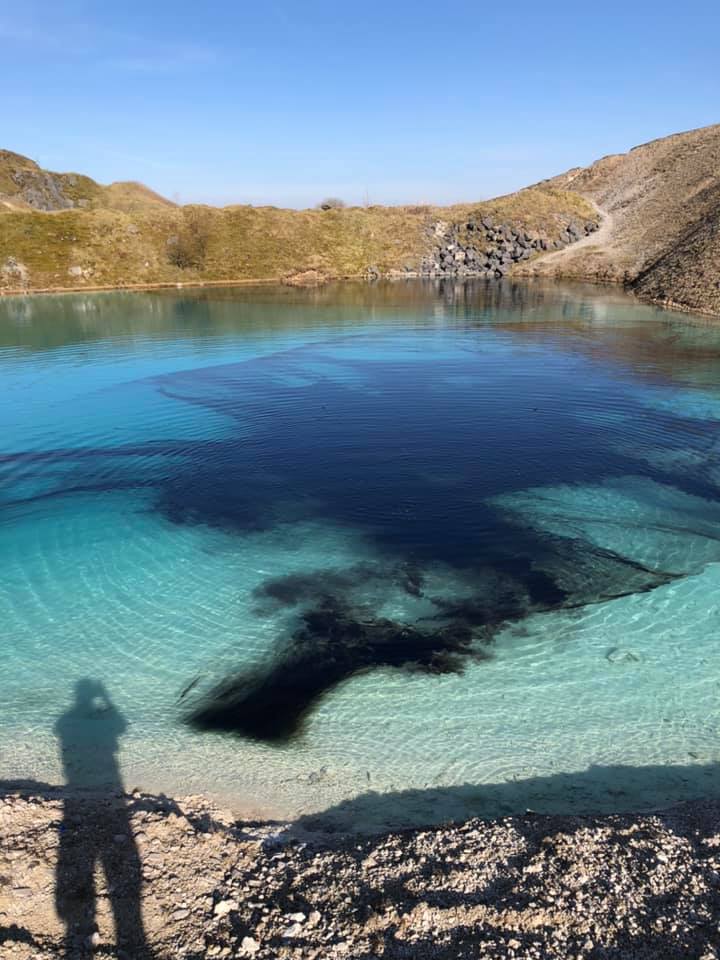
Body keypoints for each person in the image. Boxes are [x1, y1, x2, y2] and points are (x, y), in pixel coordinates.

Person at [54, 679, 151, 958]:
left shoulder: (64, 721)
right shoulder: (70, 721)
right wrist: (107, 698)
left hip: (77, 784)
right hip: (107, 780)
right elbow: (121, 724)